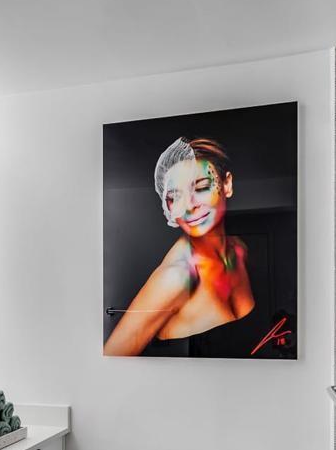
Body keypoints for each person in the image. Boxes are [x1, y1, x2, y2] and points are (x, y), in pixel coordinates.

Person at [104, 137, 254, 356]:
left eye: (201, 187)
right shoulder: (176, 277)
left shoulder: (238, 251)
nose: (188, 205)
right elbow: (111, 358)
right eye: (175, 196)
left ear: (227, 185)